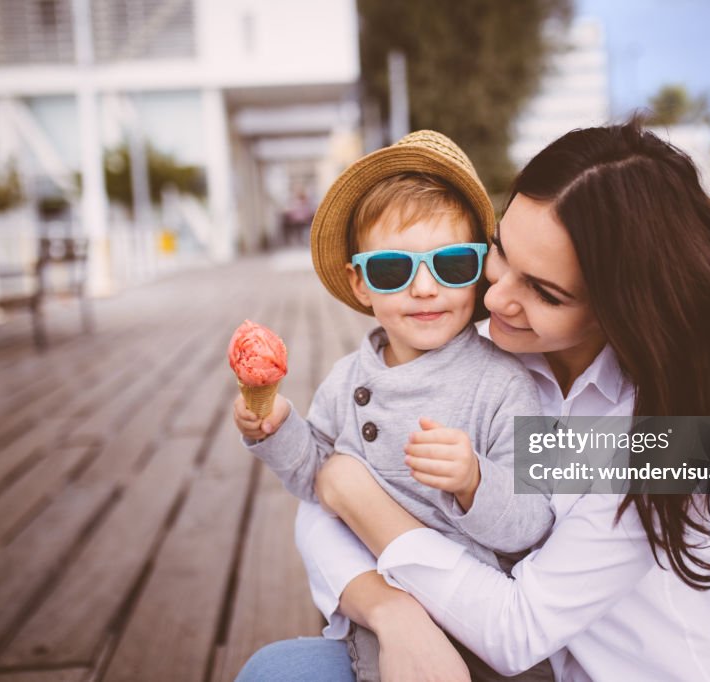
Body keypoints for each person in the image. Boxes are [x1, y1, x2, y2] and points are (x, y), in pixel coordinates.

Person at [238, 122, 710, 681]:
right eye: (501, 254)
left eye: (544, 291)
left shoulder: (675, 438)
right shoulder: (475, 352)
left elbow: (515, 629)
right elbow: (321, 511)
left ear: (622, 309)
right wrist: (389, 610)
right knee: (273, 672)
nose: (498, 296)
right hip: (451, 629)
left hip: (586, 666)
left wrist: (352, 488)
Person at [234, 130, 556, 681]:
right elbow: (316, 477)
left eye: (451, 264)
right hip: (376, 604)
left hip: (477, 631)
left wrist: (474, 480)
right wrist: (276, 428)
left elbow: (532, 524)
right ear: (361, 285)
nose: (425, 288)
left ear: (479, 270)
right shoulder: (347, 380)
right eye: (393, 269)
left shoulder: (504, 385)